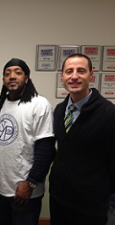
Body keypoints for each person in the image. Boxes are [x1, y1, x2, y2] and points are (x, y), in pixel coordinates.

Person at [49, 53, 115, 225]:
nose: (74, 76)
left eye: (81, 71)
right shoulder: (59, 110)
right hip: (58, 199)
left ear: (91, 75)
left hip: (90, 206)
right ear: (62, 76)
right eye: (69, 71)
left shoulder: (109, 114)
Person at [0, 58, 55, 225]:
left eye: (17, 73)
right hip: (2, 187)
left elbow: (46, 149)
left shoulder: (39, 104)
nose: (12, 76)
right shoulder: (0, 104)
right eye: (7, 74)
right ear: (3, 80)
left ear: (26, 78)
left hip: (26, 189)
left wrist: (31, 184)